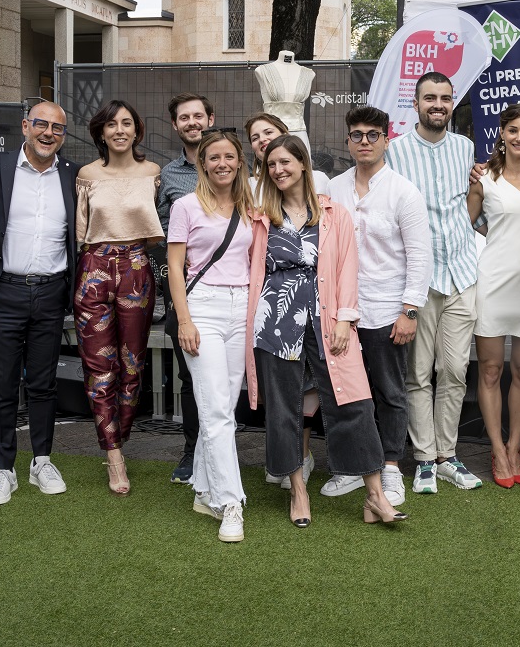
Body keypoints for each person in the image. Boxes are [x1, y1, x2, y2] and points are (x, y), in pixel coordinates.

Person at [244, 135, 407, 527]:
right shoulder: (259, 216)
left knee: (355, 402)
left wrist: (346, 319)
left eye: (285, 162)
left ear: (302, 163)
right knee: (284, 408)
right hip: (275, 321)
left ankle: (375, 496)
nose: (279, 170)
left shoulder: (335, 214)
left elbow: (348, 268)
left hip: (328, 317)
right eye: (271, 165)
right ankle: (298, 493)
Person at [325, 105, 432, 505]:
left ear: (386, 140)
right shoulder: (334, 190)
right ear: (348, 140)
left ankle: (389, 467)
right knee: (346, 392)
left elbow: (421, 255)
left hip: (387, 309)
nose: (365, 141)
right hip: (341, 312)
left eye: (373, 135)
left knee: (389, 391)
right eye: (357, 135)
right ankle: (352, 467)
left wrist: (409, 311)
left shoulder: (403, 191)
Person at [386, 71, 483, 493]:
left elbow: (468, 202)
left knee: (457, 370)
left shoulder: (465, 147)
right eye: (430, 98)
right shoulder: (395, 152)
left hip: (462, 272)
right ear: (417, 104)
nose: (438, 104)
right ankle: (425, 458)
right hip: (419, 280)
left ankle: (449, 455)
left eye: (445, 97)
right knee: (418, 373)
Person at [0, 101, 80, 506]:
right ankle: (3, 468)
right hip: (4, 292)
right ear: (25, 126)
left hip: (52, 292)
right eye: (41, 124)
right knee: (2, 385)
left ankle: (41, 460)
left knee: (44, 384)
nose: (48, 134)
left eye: (57, 128)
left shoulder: (74, 175)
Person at [168, 130, 254, 542]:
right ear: (202, 163)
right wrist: (184, 320)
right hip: (202, 308)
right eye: (213, 157)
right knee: (217, 409)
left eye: (229, 157)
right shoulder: (185, 206)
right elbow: (175, 267)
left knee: (224, 405)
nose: (222, 163)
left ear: (239, 161)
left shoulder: (251, 203)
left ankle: (204, 489)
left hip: (242, 310)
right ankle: (231, 501)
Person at [75, 99, 163, 495]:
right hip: (94, 268)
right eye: (111, 124)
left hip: (136, 267)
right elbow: (81, 232)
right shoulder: (87, 175)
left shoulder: (153, 173)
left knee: (131, 364)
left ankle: (120, 433)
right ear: (101, 133)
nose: (119, 130)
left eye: (127, 122)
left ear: (137, 129)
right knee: (99, 366)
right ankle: (113, 454)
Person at [467, 103, 520, 488]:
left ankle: (516, 445)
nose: (519, 137)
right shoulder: (482, 178)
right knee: (490, 370)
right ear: (502, 133)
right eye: (512, 130)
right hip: (492, 282)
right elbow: (466, 228)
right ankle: (497, 449)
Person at [244, 111, 328, 490]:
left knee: (312, 385)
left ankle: (305, 455)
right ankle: (290, 461)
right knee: (282, 392)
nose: (263, 142)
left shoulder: (321, 192)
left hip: (318, 304)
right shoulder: (251, 192)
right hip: (275, 306)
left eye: (270, 134)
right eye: (256, 138)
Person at [157, 92, 214, 484]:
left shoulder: (232, 164)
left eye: (198, 116)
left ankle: (220, 448)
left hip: (232, 288)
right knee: (190, 375)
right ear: (175, 125)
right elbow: (159, 231)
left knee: (227, 376)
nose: (192, 122)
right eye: (184, 118)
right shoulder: (168, 176)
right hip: (185, 290)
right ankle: (193, 449)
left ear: (210, 119)